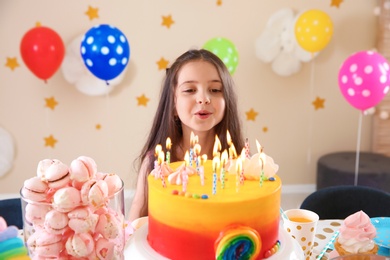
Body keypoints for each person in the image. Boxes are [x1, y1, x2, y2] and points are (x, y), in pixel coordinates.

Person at [128, 49, 245, 221]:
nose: (203, 98)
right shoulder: (155, 162)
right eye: (190, 90)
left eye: (214, 89)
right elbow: (137, 217)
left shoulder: (239, 161)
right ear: (173, 105)